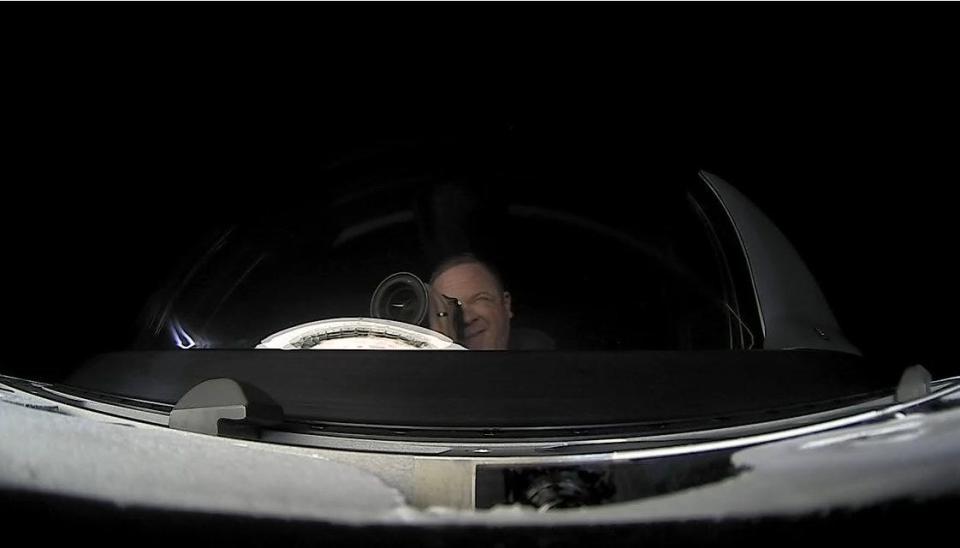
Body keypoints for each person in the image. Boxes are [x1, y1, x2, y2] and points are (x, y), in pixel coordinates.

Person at [428, 254, 513, 350]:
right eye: (450, 307)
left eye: (479, 300)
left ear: (506, 305)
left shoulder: (533, 359)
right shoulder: (420, 363)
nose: (467, 319)